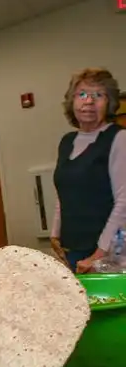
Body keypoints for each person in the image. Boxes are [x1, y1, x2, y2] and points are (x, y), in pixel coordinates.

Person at [51, 68, 126, 273]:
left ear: (109, 102)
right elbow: (64, 190)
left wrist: (99, 255)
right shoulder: (67, 142)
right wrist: (55, 233)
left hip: (109, 251)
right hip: (73, 247)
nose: (89, 102)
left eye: (98, 95)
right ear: (72, 101)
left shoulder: (118, 138)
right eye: (82, 94)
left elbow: (124, 201)